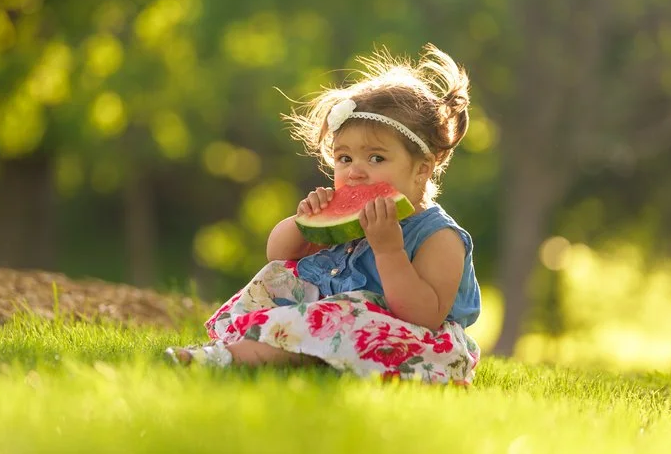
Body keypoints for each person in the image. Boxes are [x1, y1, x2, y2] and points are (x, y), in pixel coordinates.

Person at [166, 44, 482, 384]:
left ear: (421, 168)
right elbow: (277, 255)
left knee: (343, 317)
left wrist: (389, 250)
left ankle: (223, 360)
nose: (356, 172)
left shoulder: (440, 238)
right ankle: (247, 348)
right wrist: (305, 225)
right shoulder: (348, 219)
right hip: (328, 324)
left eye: (376, 158)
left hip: (408, 343)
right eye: (344, 159)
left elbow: (423, 317)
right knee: (280, 278)